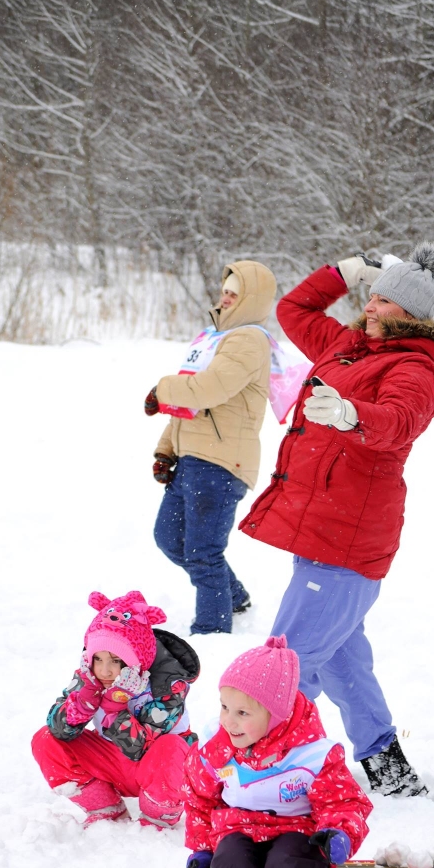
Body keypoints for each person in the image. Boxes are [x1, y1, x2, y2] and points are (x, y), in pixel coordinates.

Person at [239, 243, 434, 797]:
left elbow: (401, 419)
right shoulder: (348, 345)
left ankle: (264, 772)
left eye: (383, 299)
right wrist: (344, 272)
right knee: (341, 661)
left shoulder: (417, 365)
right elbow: (293, 311)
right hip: (319, 527)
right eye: (373, 294)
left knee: (286, 663)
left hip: (350, 536)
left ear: (411, 313)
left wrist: (350, 413)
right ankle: (390, 771)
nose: (371, 305)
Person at [183, 635, 372, 868]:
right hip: (237, 829)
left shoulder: (310, 753)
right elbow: (198, 798)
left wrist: (338, 832)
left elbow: (345, 801)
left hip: (296, 830)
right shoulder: (215, 747)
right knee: (232, 866)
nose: (229, 721)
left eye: (243, 713)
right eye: (225, 707)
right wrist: (203, 849)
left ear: (276, 715)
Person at [145, 261, 277, 635]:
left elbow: (209, 389)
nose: (226, 296)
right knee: (170, 539)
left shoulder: (249, 340)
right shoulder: (215, 339)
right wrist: (166, 450)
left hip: (220, 463)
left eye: (236, 292)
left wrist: (161, 389)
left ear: (252, 299)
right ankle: (232, 596)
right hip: (192, 459)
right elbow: (190, 399)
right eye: (226, 289)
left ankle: (212, 631)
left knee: (202, 552)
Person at [32, 590, 199, 828]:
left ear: (136, 658)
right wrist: (80, 704)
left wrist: (114, 706)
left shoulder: (169, 685)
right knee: (46, 740)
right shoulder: (90, 677)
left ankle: (157, 817)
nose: (105, 670)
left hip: (158, 767)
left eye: (116, 661)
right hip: (111, 759)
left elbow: (140, 748)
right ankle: (104, 807)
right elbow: (58, 729)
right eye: (98, 659)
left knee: (170, 747)